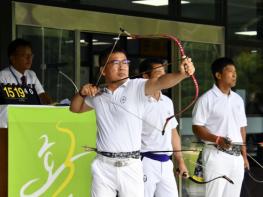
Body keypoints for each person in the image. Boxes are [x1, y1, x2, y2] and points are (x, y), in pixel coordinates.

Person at [70, 46, 195, 197]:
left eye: (125, 62)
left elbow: (161, 81)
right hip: (103, 165)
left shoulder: (137, 86)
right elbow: (75, 108)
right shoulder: (98, 94)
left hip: (131, 165)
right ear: (103, 70)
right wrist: (82, 93)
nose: (122, 66)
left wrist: (181, 74)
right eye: (116, 62)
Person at [192, 57, 249, 197]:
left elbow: (241, 129)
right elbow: (197, 127)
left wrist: (244, 156)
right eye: (230, 71)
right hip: (216, 155)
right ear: (218, 75)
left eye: (235, 72)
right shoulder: (206, 99)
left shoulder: (238, 99)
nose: (234, 75)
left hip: (236, 157)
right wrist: (217, 139)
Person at [139, 58, 188, 197]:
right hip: (145, 161)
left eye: (164, 72)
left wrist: (180, 161)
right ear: (145, 76)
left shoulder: (167, 102)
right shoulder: (137, 101)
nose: (164, 76)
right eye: (158, 73)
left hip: (166, 162)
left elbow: (173, 132)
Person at [0, 38, 52, 104]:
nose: (29, 58)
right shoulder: (2, 76)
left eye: (31, 55)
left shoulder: (32, 74)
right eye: (24, 55)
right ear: (12, 58)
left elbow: (43, 97)